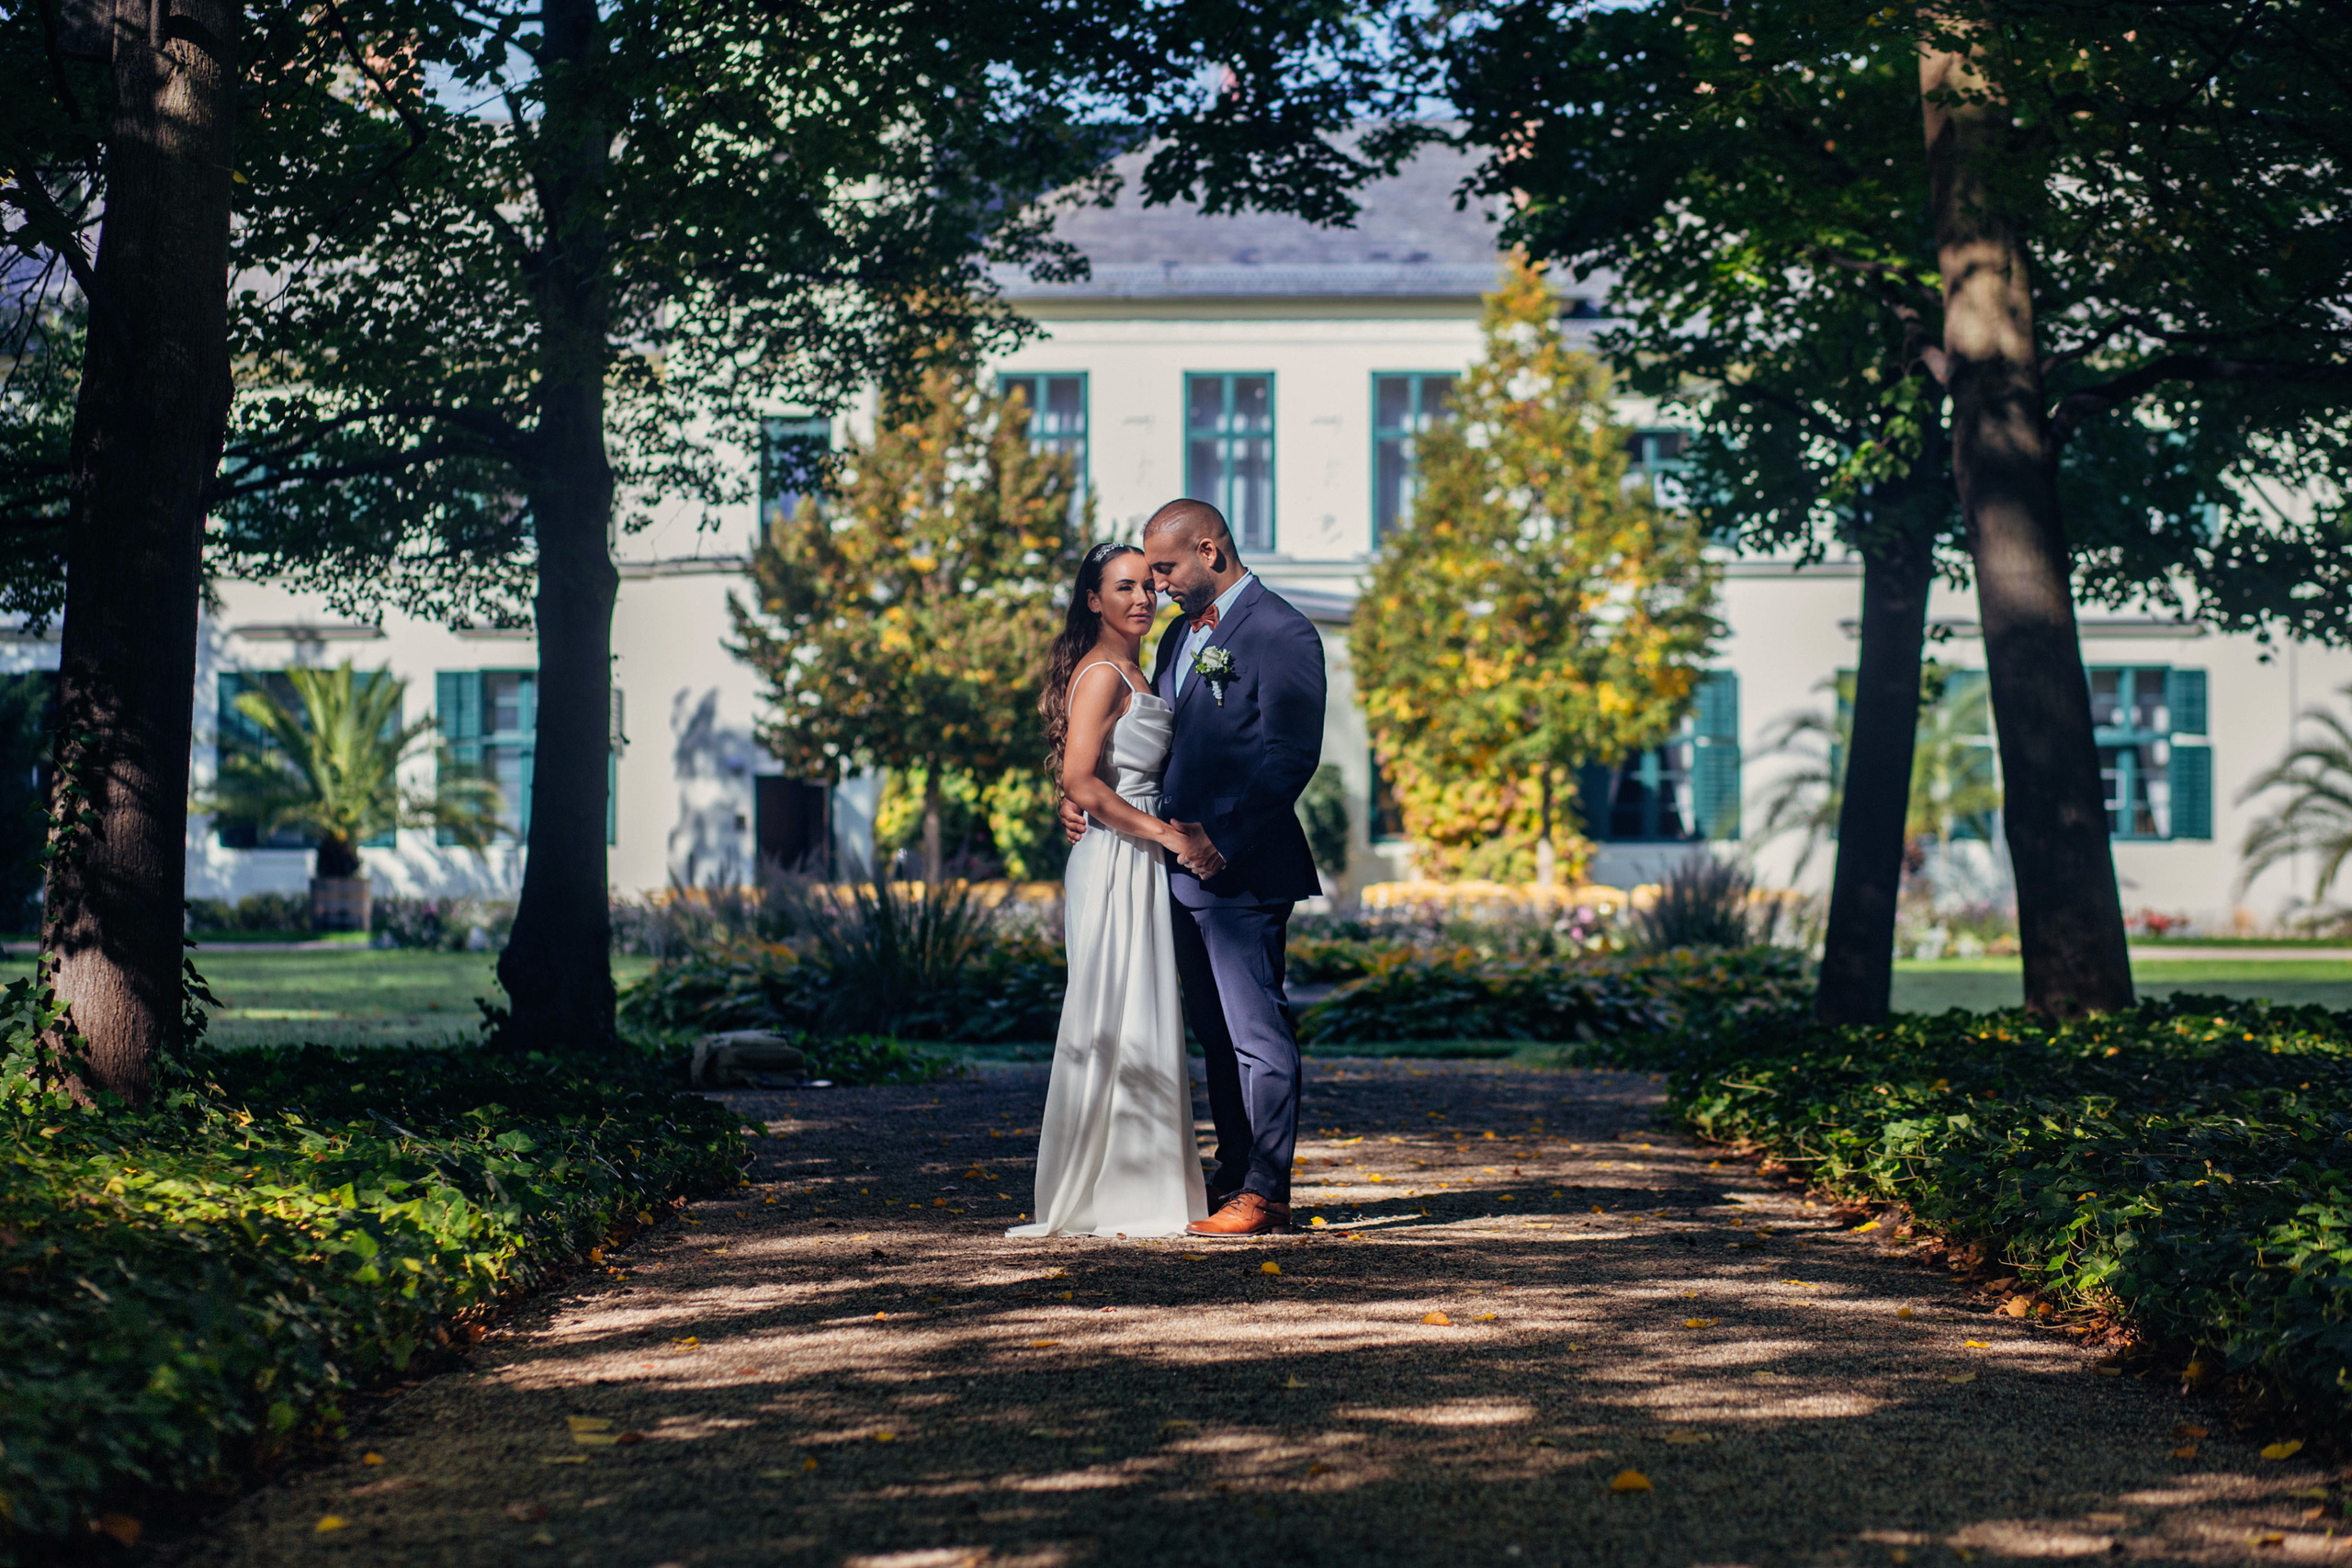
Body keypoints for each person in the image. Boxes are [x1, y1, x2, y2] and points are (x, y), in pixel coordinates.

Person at [1056, 499, 1327, 1239]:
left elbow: (1290, 759)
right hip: (1168, 872)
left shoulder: (1283, 631)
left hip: (1244, 871)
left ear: (1210, 551)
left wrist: (1222, 840)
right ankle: (1234, 1173)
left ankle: (1267, 1190)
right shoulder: (1177, 637)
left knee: (1256, 1034)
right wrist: (1081, 794)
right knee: (1212, 1034)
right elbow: (1143, 742)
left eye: (1166, 569)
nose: (1158, 586)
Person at [1010, 542, 1220, 1237]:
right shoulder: (1103, 673)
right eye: (1123, 587)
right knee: (1110, 1013)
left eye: (1148, 586)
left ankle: (1144, 1183)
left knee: (1142, 1011)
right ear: (1093, 600)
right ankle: (1106, 1190)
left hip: (1133, 855)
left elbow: (1093, 776)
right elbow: (1080, 780)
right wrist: (1165, 833)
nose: (1142, 598)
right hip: (1116, 860)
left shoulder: (1142, 665)